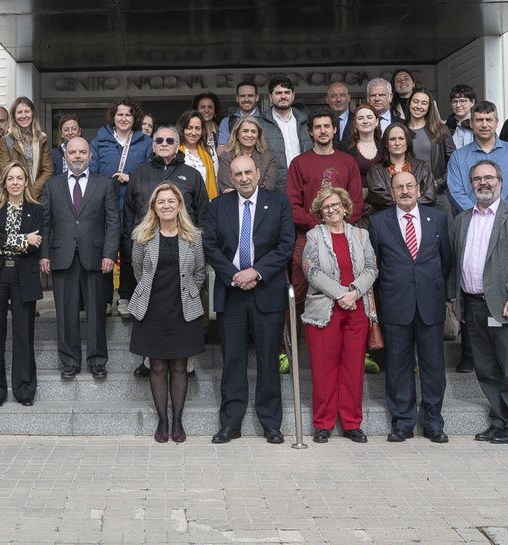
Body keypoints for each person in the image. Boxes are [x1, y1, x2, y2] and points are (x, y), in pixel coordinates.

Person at [204, 155, 294, 445]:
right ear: (230, 177)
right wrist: (235, 275)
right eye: (237, 173)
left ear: (258, 173)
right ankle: (231, 422)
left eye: (248, 172)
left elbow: (285, 245)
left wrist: (256, 272)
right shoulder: (218, 206)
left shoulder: (278, 202)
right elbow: (211, 246)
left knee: (268, 359)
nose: (243, 178)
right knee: (232, 360)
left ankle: (271, 423)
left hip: (266, 291)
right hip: (231, 293)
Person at [453, 160, 508, 444]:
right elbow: (457, 262)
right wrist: (457, 299)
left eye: (489, 177)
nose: (483, 183)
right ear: (470, 183)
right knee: (486, 369)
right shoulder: (462, 219)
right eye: (477, 179)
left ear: (500, 181)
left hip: (505, 306)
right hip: (473, 304)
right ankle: (500, 419)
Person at [369, 171, 454, 443]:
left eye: (409, 186)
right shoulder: (378, 222)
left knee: (433, 366)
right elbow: (376, 265)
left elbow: (447, 261)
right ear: (391, 193)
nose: (405, 191)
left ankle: (433, 422)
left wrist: (448, 296)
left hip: (430, 302)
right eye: (399, 187)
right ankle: (403, 422)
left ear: (419, 189)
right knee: (398, 365)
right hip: (395, 304)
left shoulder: (438, 218)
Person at [285, 109, 363, 372]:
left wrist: (337, 226)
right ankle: (291, 352)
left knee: (346, 292)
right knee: (299, 294)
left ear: (333, 130)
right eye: (317, 127)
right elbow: (292, 204)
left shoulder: (347, 162)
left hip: (344, 238)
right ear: (311, 132)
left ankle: (349, 351)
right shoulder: (299, 163)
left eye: (327, 126)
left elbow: (356, 202)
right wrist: (318, 226)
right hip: (306, 238)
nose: (322, 131)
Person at [129, 183, 206, 443]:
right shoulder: (142, 236)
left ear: (180, 205)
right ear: (154, 207)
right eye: (161, 202)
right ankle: (162, 421)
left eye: (171, 201)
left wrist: (190, 292)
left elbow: (199, 272)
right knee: (158, 366)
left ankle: (178, 421)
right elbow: (138, 270)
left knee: (180, 367)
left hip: (183, 308)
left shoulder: (194, 236)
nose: (166, 206)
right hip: (152, 309)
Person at [301, 186, 378, 444]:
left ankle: (351, 424)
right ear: (320, 213)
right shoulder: (314, 236)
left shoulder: (361, 234)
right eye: (326, 207)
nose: (332, 210)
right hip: (325, 310)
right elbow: (311, 270)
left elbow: (371, 268)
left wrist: (354, 293)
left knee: (353, 369)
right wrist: (340, 295)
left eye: (336, 205)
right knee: (324, 369)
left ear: (345, 207)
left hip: (356, 310)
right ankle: (323, 424)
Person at [40, 136, 119, 381]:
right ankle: (70, 361)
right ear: (65, 156)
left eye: (82, 152)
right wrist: (44, 255)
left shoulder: (104, 184)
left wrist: (109, 254)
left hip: (95, 257)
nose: (77, 156)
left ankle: (97, 360)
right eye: (72, 152)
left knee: (96, 311)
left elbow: (113, 223)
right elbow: (46, 223)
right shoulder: (52, 185)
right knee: (65, 312)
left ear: (90, 155)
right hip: (61, 256)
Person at [0, 163, 45, 406]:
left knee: (23, 334)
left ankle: (24, 390)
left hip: (22, 276)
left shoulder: (36, 210)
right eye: (10, 178)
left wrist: (11, 239)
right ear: (4, 183)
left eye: (20, 178)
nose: (15, 182)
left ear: (26, 182)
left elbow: (36, 242)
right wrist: (23, 239)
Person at [90, 96, 152, 318]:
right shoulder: (99, 141)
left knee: (129, 253)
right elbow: (93, 174)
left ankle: (125, 298)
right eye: (120, 114)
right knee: (105, 252)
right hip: (106, 208)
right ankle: (106, 299)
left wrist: (130, 177)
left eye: (128, 114)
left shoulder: (144, 142)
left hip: (133, 208)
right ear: (113, 117)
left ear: (134, 117)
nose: (124, 118)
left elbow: (148, 173)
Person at [447, 101, 508, 214]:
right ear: (471, 123)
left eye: (489, 120)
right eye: (479, 120)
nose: (484, 125)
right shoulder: (458, 157)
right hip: (472, 221)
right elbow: (455, 192)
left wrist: (502, 215)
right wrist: (478, 214)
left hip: (507, 221)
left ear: (496, 122)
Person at [405, 88, 456, 218]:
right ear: (409, 103)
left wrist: (438, 182)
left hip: (437, 194)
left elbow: (454, 162)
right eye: (415, 101)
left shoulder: (441, 130)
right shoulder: (400, 130)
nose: (419, 106)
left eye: (424, 103)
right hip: (407, 194)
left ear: (429, 108)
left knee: (446, 234)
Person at [365, 122, 435, 212]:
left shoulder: (422, 167)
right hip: (388, 217)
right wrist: (410, 200)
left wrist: (400, 200)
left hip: (419, 216)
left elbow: (429, 197)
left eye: (401, 138)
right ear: (386, 144)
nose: (397, 143)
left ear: (407, 142)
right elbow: (379, 199)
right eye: (392, 139)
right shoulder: (376, 170)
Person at [0, 96, 54, 198]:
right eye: (19, 112)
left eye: (27, 111)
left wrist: (32, 193)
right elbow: (5, 170)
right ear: (14, 116)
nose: (23, 115)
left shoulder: (42, 139)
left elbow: (48, 170)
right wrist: (20, 191)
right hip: (14, 195)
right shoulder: (6, 140)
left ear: (33, 113)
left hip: (38, 196)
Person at [265, 77, 312, 190]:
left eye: (287, 92)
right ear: (270, 97)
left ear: (293, 96)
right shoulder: (260, 124)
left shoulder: (307, 121)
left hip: (305, 183)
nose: (283, 96)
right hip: (274, 186)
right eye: (278, 93)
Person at [217, 117, 277, 193]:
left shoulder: (268, 157)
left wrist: (243, 192)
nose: (249, 135)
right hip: (235, 203)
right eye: (245, 131)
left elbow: (269, 187)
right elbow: (227, 189)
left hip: (261, 202)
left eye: (253, 132)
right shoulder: (226, 157)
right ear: (237, 135)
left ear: (258, 135)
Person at [178, 110, 218, 202]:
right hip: (182, 203)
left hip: (205, 203)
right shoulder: (175, 151)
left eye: (198, 128)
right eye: (189, 128)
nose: (194, 132)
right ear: (182, 129)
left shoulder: (209, 151)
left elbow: (215, 178)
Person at [343, 103, 382, 187]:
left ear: (376, 122)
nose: (365, 121)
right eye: (360, 118)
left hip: (383, 197)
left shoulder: (385, 147)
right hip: (357, 197)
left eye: (369, 117)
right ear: (355, 124)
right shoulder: (346, 149)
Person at [217, 81, 263, 146]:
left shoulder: (266, 120)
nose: (246, 99)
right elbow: (222, 151)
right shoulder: (227, 122)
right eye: (242, 96)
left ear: (257, 97)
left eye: (250, 96)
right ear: (237, 98)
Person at [445, 85, 477, 149]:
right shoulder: (445, 127)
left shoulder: (480, 124)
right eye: (455, 101)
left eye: (462, 101)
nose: (458, 105)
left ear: (472, 102)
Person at [192, 92, 222, 156]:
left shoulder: (221, 130)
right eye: (202, 107)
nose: (206, 110)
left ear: (215, 111)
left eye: (210, 107)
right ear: (196, 110)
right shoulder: (190, 131)